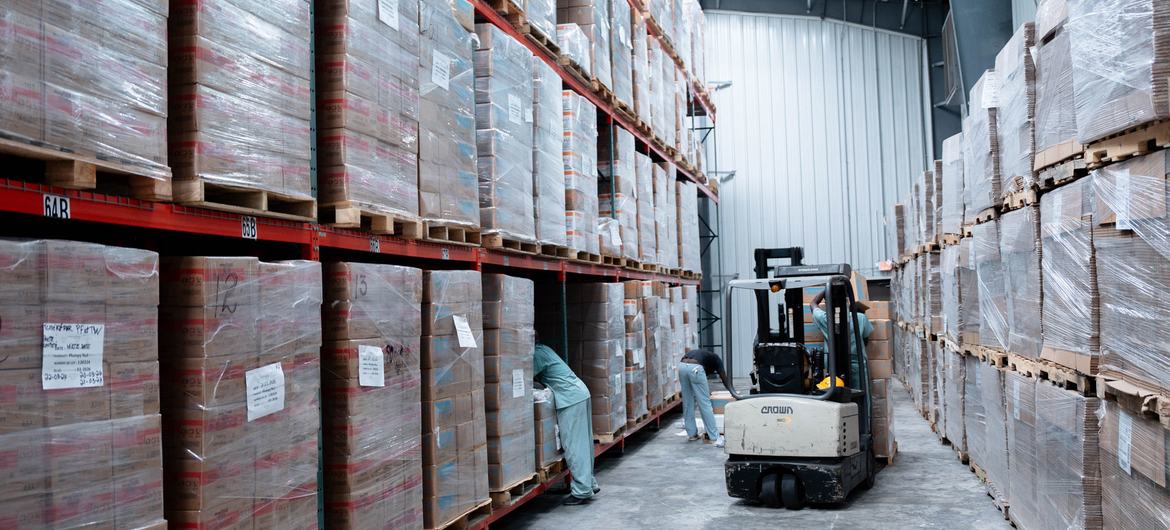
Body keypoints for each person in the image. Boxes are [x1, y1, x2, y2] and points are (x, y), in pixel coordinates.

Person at [533, 342, 600, 505]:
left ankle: (582, 491)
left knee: (573, 445)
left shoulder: (536, 354)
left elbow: (521, 376)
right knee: (584, 444)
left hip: (571, 399)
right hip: (579, 393)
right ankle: (589, 483)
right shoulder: (545, 349)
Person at [808, 289, 873, 389]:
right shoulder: (860, 318)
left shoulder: (824, 319)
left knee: (837, 394)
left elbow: (813, 303)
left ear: (827, 303)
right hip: (857, 365)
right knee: (860, 395)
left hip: (834, 366)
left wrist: (827, 288)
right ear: (847, 301)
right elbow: (865, 341)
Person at [679, 348, 733, 447]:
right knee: (705, 403)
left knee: (688, 402)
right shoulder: (717, 360)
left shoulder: (703, 355)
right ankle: (714, 437)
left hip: (682, 366)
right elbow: (724, 378)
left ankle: (692, 434)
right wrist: (732, 392)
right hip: (695, 368)